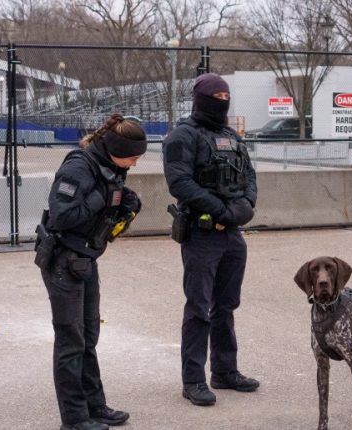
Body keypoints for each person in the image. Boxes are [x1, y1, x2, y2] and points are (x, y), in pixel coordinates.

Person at [37, 113, 146, 430]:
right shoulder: (78, 167)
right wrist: (105, 197)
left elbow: (107, 205)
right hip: (63, 261)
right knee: (71, 341)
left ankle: (94, 406)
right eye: (132, 157)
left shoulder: (110, 168)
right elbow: (62, 216)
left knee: (88, 336)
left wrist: (125, 202)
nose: (134, 164)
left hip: (85, 258)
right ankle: (74, 418)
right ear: (114, 147)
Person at [162, 73, 260, 407]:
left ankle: (225, 371)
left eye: (225, 96)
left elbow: (249, 175)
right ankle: (193, 380)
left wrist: (245, 207)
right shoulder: (181, 137)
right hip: (202, 235)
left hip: (232, 235)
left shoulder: (232, 137)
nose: (221, 101)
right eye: (215, 97)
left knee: (227, 307)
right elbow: (179, 183)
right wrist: (220, 209)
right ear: (200, 99)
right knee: (198, 309)